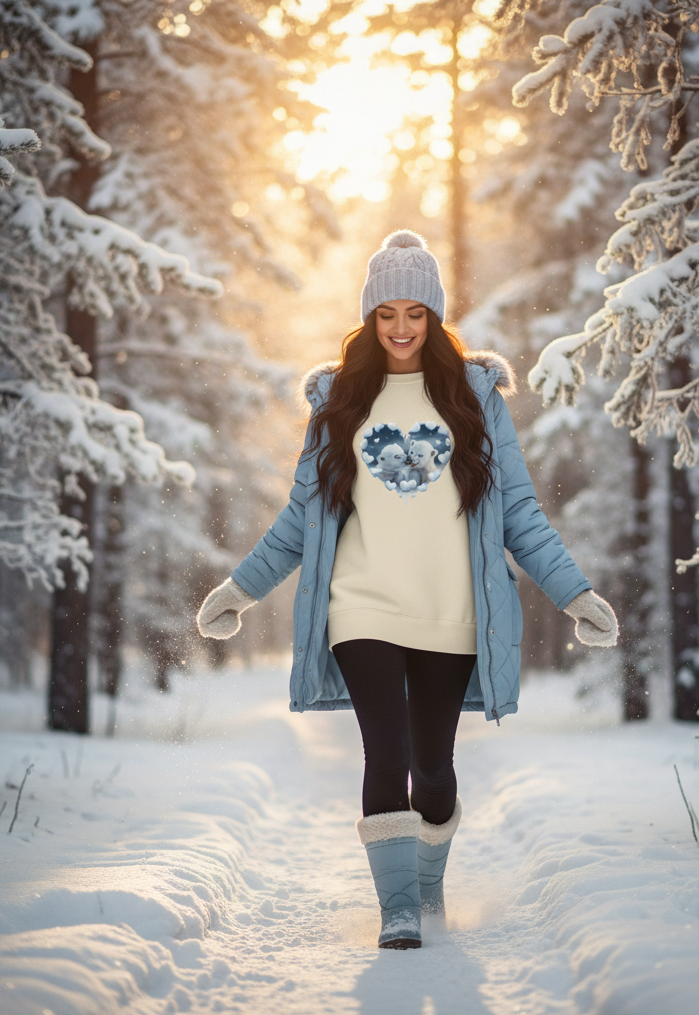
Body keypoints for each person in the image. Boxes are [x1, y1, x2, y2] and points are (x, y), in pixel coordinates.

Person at [196, 230, 619, 949]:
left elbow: (518, 510)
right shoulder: (340, 397)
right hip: (361, 609)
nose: (399, 328)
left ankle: (425, 886)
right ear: (369, 317)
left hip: (450, 614)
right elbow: (303, 516)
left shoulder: (473, 397)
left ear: (434, 317)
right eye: (386, 313)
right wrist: (240, 588)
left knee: (434, 764)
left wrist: (575, 594)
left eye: (414, 313)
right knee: (385, 756)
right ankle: (397, 909)